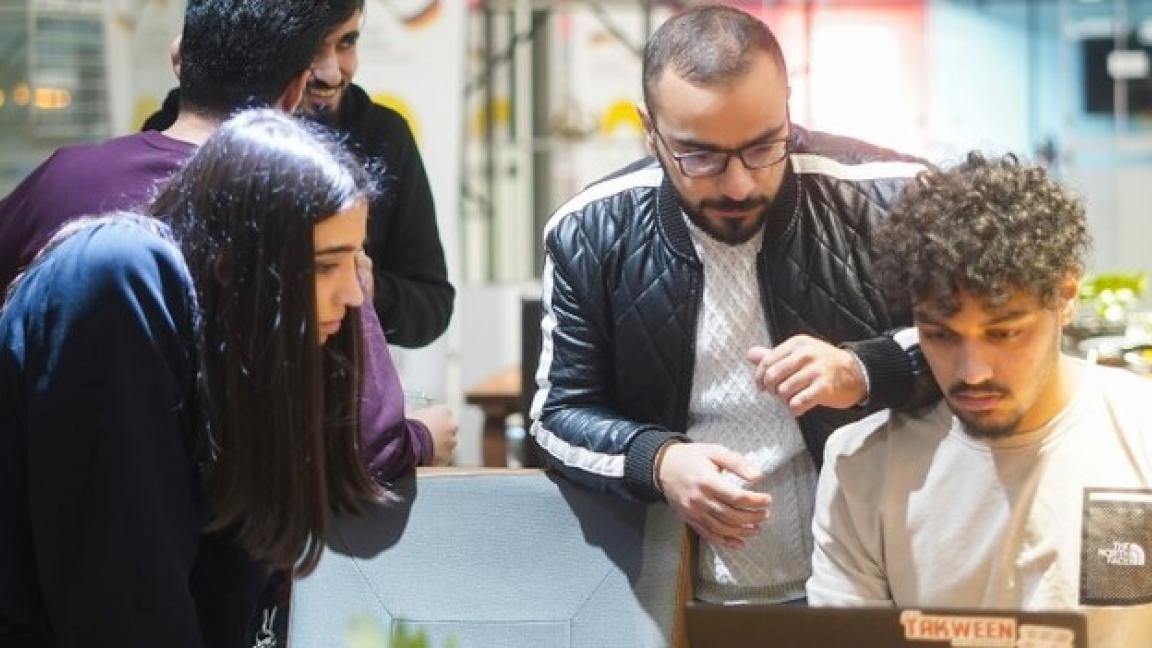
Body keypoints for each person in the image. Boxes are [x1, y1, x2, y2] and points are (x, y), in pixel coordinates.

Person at [530, 4, 936, 605]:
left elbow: (980, 350)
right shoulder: (591, 232)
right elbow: (559, 414)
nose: (739, 184)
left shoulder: (891, 198)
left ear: (789, 106)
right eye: (700, 156)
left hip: (877, 583)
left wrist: (862, 370)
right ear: (651, 130)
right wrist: (659, 461)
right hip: (680, 594)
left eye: (763, 146)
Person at [0, 0, 456, 476]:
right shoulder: (287, 209)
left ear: (179, 57)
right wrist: (421, 436)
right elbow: (374, 444)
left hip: (52, 496)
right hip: (234, 520)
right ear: (295, 91)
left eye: (348, 42)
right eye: (328, 265)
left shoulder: (61, 179)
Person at [0, 110, 386, 647]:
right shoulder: (118, 276)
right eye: (325, 265)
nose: (352, 295)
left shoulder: (237, 351)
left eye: (355, 264)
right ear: (236, 259)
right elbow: (121, 601)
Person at [806, 153, 1152, 647]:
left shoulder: (1142, 432)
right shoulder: (861, 467)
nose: (973, 372)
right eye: (941, 335)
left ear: (1067, 294)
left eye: (1005, 332)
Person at [142, 0, 454, 348]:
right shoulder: (185, 131)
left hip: (334, 392)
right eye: (312, 48)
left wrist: (365, 286)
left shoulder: (384, 134)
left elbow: (432, 306)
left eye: (346, 43)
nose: (332, 72)